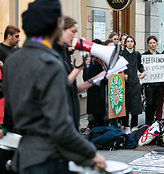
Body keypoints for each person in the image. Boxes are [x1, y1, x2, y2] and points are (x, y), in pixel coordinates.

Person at [2, 0, 106, 173]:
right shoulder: (49, 62)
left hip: (24, 155)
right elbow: (60, 126)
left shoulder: (12, 60)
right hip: (48, 159)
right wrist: (91, 154)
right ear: (57, 24)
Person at [53, 16, 106, 131]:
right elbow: (60, 87)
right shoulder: (52, 54)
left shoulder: (65, 54)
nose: (75, 36)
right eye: (73, 31)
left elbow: (73, 88)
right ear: (60, 30)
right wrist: (78, 69)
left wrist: (96, 78)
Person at [121, 35, 146, 133]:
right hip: (125, 82)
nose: (130, 43)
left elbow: (140, 65)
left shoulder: (137, 54)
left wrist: (143, 72)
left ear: (134, 43)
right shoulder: (122, 54)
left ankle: (134, 125)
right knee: (126, 105)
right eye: (128, 41)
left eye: (132, 41)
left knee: (135, 104)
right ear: (125, 43)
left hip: (135, 82)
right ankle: (126, 125)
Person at [83, 39, 109, 129]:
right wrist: (105, 78)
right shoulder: (94, 63)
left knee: (99, 119)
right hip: (96, 96)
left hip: (99, 95)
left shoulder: (99, 61)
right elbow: (90, 79)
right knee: (97, 120)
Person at [0, 25, 20, 133]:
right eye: (17, 36)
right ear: (9, 36)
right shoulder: (0, 49)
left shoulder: (16, 51)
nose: (19, 39)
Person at [143, 36, 162, 125]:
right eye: (150, 43)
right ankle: (148, 121)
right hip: (149, 84)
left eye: (154, 43)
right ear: (148, 44)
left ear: (156, 43)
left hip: (158, 84)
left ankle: (152, 119)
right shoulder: (145, 56)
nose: (152, 45)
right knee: (149, 103)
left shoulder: (160, 55)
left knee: (155, 103)